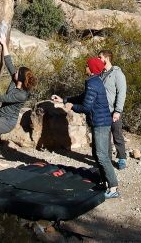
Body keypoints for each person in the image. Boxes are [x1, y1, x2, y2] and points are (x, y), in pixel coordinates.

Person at [51, 57, 120, 199]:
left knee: (101, 155)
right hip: (99, 122)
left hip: (101, 123)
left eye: (86, 65)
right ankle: (104, 181)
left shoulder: (93, 83)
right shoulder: (94, 81)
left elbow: (86, 107)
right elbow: (83, 97)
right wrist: (64, 100)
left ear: (92, 68)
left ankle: (113, 187)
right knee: (97, 153)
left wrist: (72, 107)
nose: (85, 67)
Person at [98, 49, 128, 170]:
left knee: (117, 135)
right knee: (105, 137)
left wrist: (118, 111)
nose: (98, 59)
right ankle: (108, 160)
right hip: (102, 111)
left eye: (100, 57)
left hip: (114, 111)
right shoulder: (100, 74)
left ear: (107, 58)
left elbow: (122, 93)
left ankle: (122, 158)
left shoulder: (117, 74)